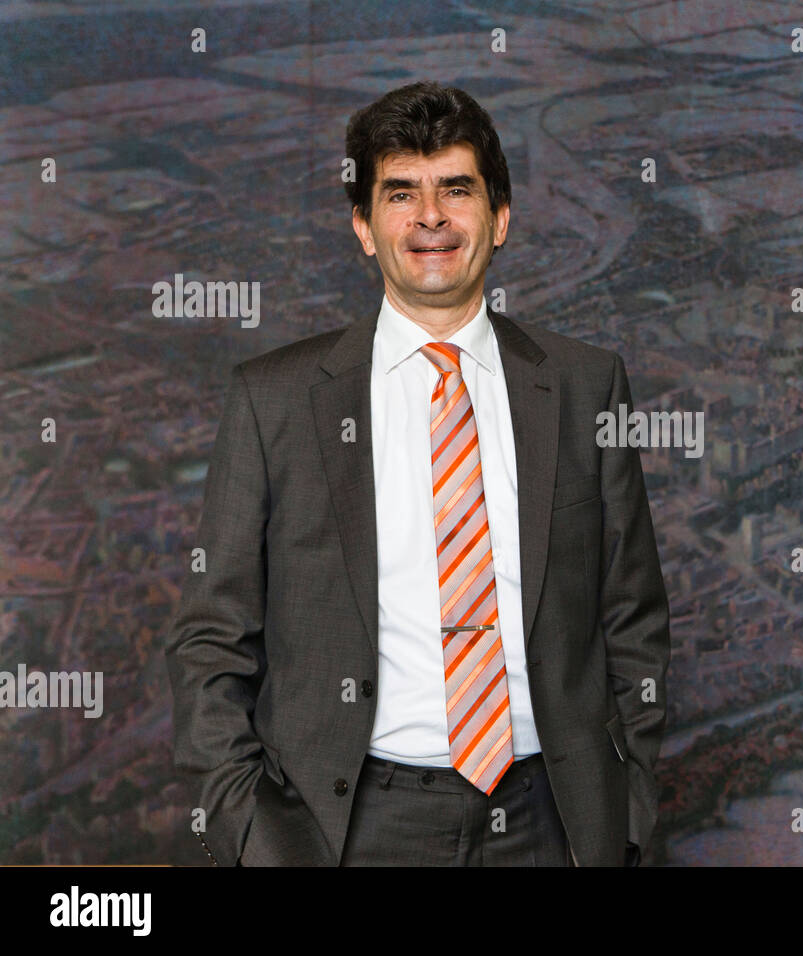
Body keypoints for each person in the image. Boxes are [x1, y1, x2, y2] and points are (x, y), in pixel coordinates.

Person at [164, 81, 671, 867]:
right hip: (347, 830)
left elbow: (633, 616)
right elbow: (211, 640)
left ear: (499, 218)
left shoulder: (585, 386)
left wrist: (629, 811)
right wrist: (253, 834)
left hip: (553, 823)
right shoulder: (275, 401)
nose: (430, 216)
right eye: (401, 193)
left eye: (456, 189)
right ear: (364, 227)